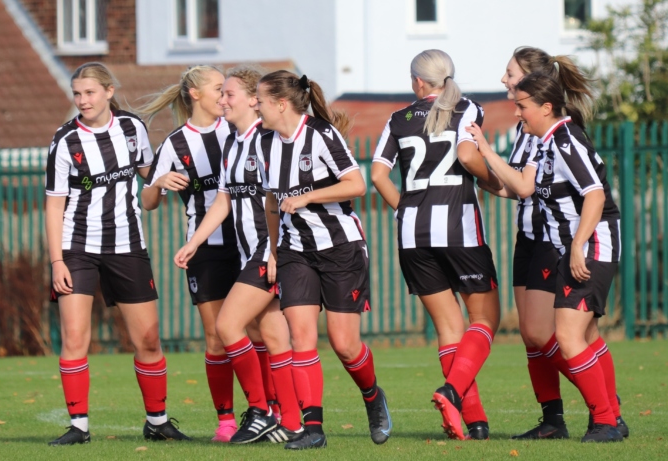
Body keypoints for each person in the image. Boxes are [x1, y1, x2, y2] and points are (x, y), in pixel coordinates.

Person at [470, 48, 628, 440]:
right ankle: (597, 417)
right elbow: (523, 188)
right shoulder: (541, 140)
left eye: (522, 104)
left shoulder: (565, 139)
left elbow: (594, 195)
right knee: (576, 336)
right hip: (563, 245)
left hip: (586, 245)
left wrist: (577, 246)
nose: (516, 111)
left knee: (567, 336)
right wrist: (478, 168)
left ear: (544, 105)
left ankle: (607, 418)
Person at [45, 62, 190, 446]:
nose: (82, 100)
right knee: (75, 337)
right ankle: (78, 427)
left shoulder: (132, 129)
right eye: (77, 94)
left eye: (90, 92)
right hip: (77, 249)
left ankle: (157, 421)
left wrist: (158, 180)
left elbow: (148, 174)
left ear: (109, 92)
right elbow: (54, 206)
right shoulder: (64, 141)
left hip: (127, 245)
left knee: (148, 339)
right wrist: (57, 260)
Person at [255, 70, 392, 450]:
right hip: (295, 250)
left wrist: (307, 198)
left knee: (344, 343)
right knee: (301, 336)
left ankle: (372, 396)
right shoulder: (263, 142)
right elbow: (270, 202)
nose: (256, 106)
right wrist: (273, 249)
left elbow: (357, 185)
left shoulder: (320, 134)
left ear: (281, 104)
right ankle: (312, 429)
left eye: (260, 100)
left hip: (340, 248)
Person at [371, 49, 502, 441]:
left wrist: (404, 211)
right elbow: (468, 154)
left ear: (417, 82)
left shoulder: (397, 119)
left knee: (449, 327)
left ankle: (475, 423)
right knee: (484, 320)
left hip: (412, 235)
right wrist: (490, 181)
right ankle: (453, 391)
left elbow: (378, 175)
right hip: (458, 227)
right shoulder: (469, 109)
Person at [172, 65, 303, 444]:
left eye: (229, 94)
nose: (222, 101)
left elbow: (278, 200)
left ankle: (261, 411)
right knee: (275, 339)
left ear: (251, 100)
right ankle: (291, 422)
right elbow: (224, 201)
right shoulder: (234, 142)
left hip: (269, 251)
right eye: (221, 94)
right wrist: (194, 241)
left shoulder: (267, 140)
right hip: (251, 253)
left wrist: (277, 253)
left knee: (228, 327)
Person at [137, 65, 245, 442]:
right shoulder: (175, 144)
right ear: (196, 94)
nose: (225, 94)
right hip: (206, 252)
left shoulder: (239, 130)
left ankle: (268, 411)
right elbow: (148, 201)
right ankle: (227, 421)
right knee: (217, 337)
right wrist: (159, 182)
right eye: (219, 88)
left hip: (249, 244)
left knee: (261, 333)